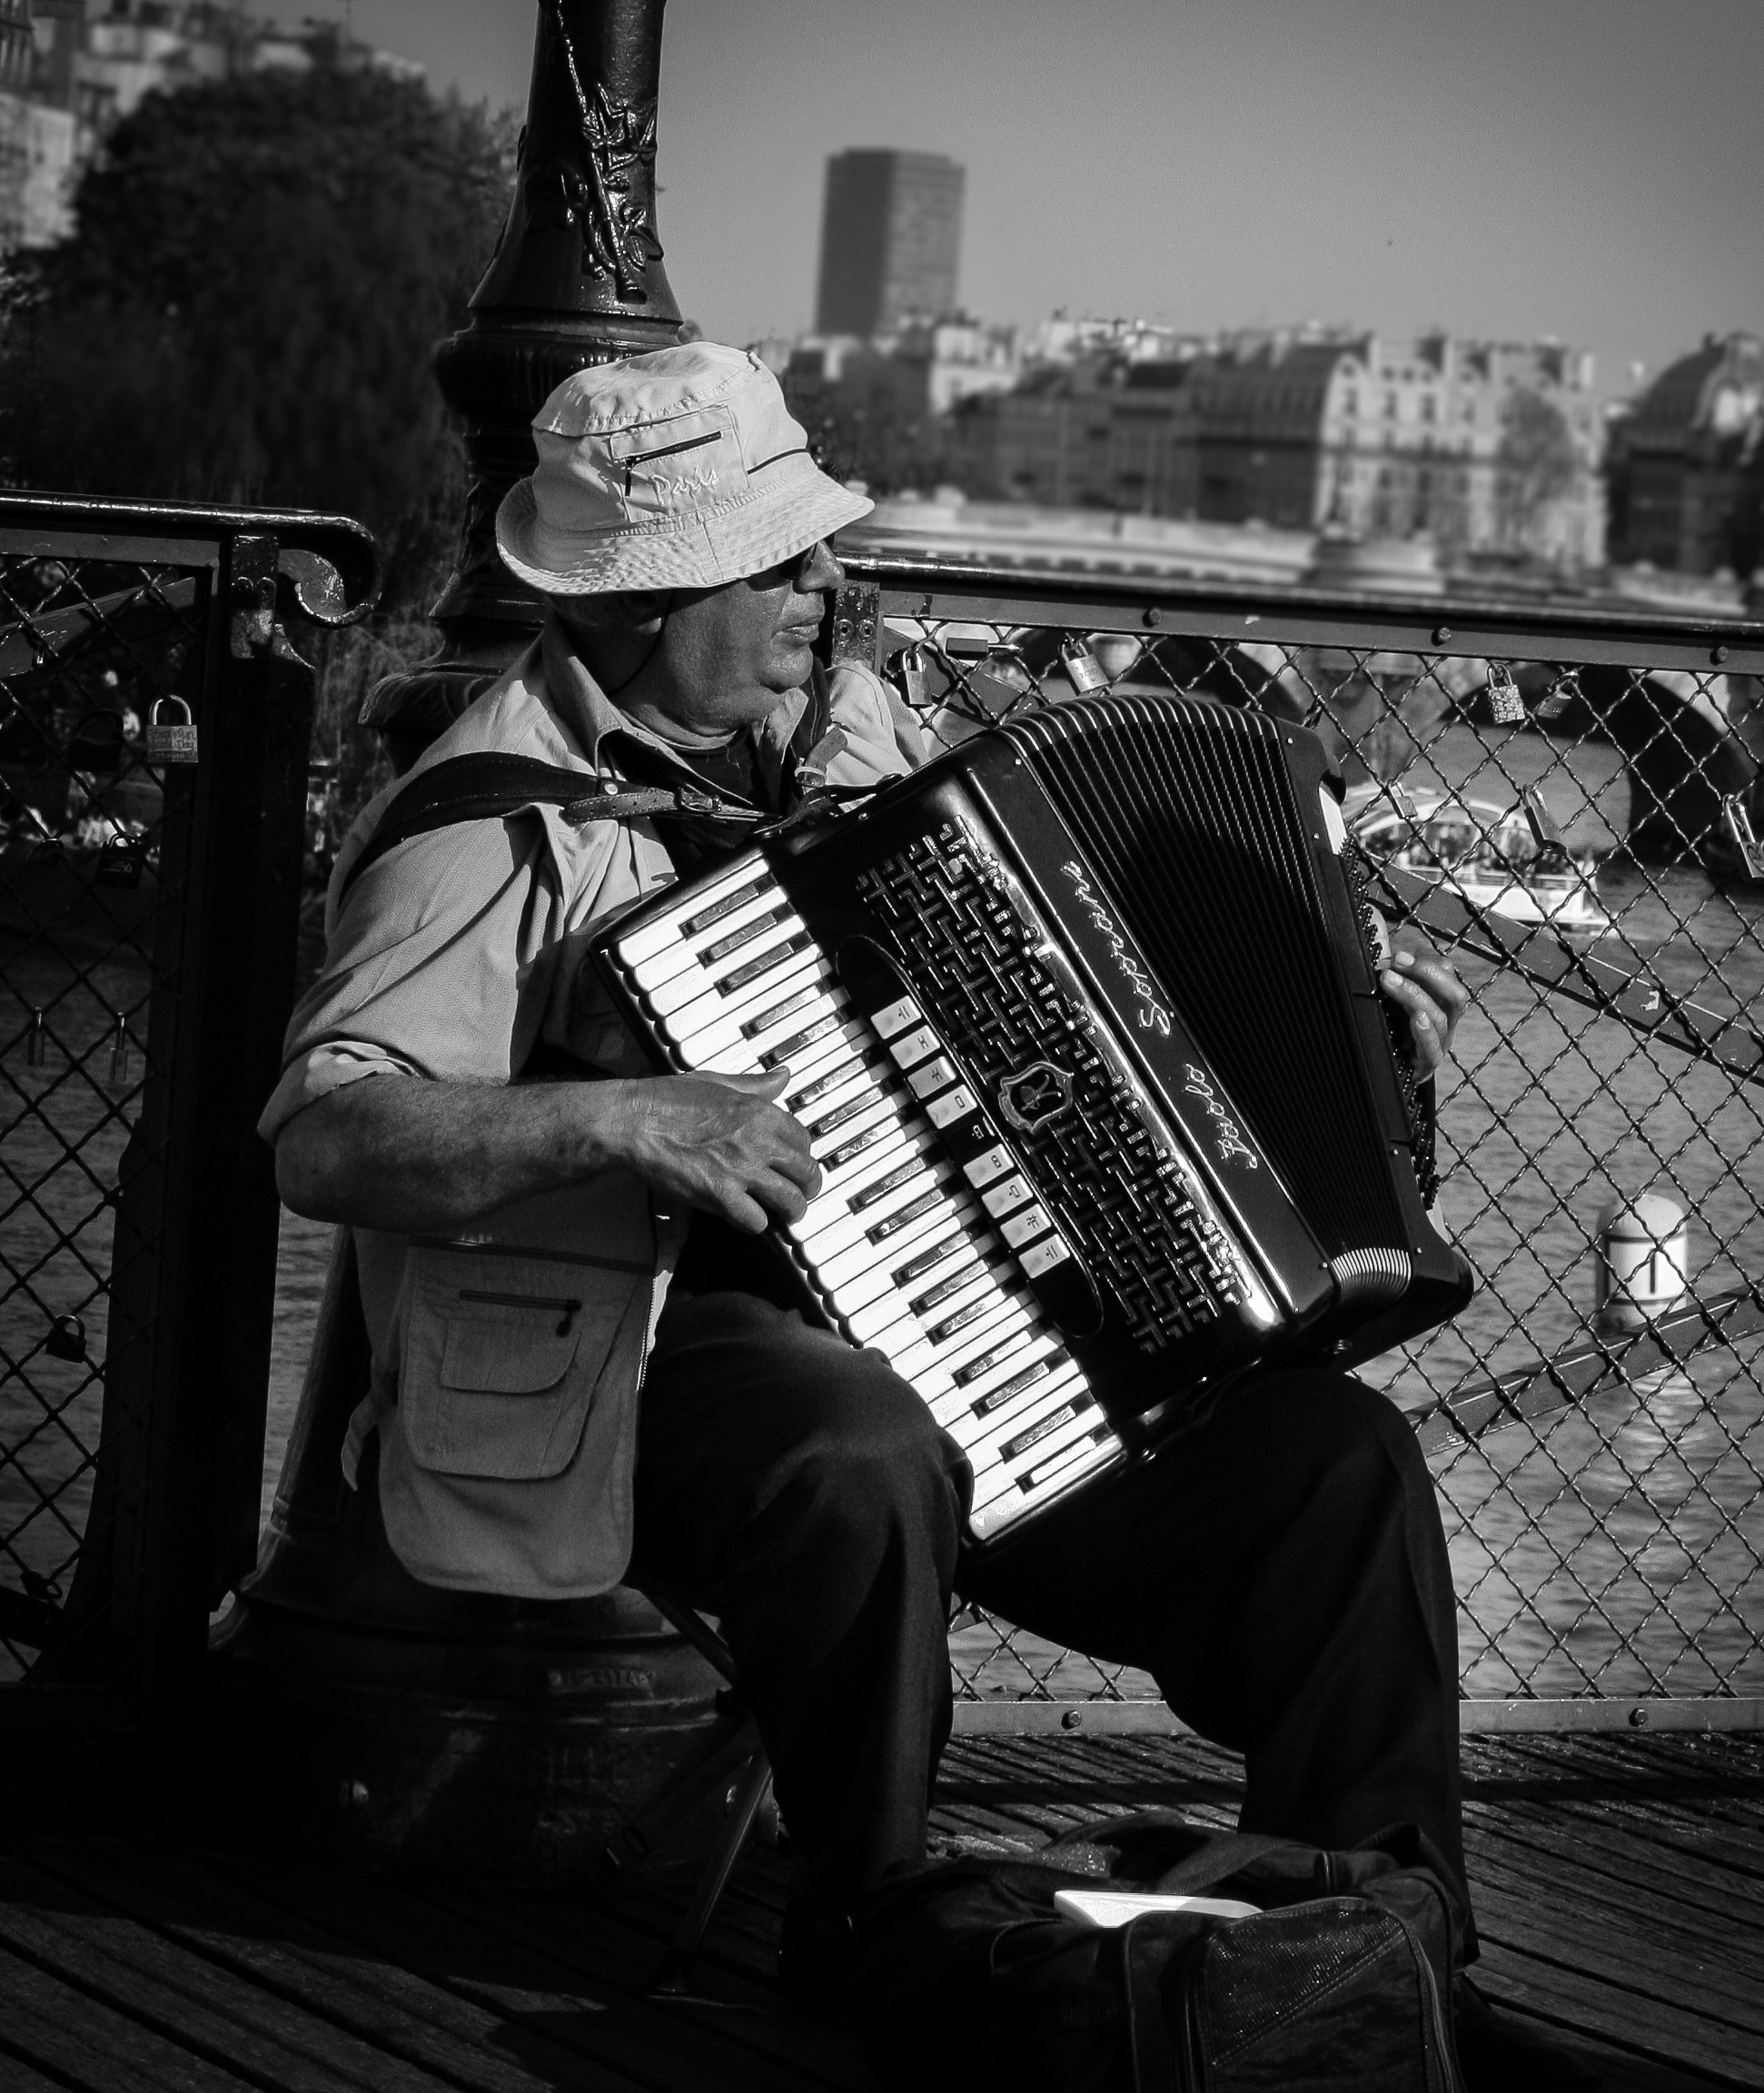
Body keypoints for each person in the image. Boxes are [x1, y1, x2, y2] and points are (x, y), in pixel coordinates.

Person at [264, 341, 1485, 2015]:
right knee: (857, 1438)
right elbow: (326, 1131)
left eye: (814, 547)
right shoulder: (492, 822)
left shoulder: (867, 743)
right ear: (636, 604)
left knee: (1339, 1465)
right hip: (657, 1361)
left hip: (995, 1347)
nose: (820, 583)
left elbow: (1105, 1044)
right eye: (773, 560)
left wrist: (1358, 1031)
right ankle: (871, 1927)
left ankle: (1383, 1946)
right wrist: (621, 1119)